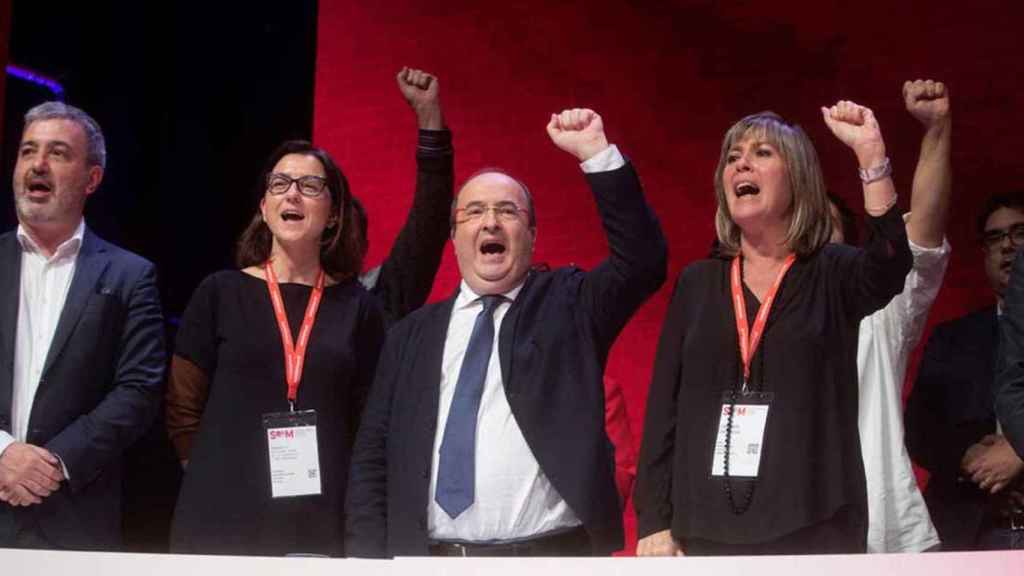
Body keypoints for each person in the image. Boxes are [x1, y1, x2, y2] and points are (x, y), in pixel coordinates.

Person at [345, 108, 667, 557]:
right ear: (454, 236)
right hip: (431, 561)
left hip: (549, 558)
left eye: (507, 211)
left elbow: (642, 261)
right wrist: (367, 564)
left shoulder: (568, 305)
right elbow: (373, 458)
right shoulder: (410, 335)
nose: (490, 222)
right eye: (474, 212)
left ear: (532, 235)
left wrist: (596, 153)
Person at [635, 102, 912, 555]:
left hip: (815, 522)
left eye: (762, 152)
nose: (742, 162)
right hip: (703, 527)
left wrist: (870, 155)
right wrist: (653, 521)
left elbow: (890, 266)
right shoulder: (698, 283)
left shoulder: (832, 272)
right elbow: (664, 408)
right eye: (732, 157)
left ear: (797, 177)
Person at [165, 137, 385, 556]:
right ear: (264, 208)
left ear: (334, 213)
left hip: (318, 517)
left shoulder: (360, 308)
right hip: (219, 513)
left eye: (309, 185)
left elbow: (367, 424)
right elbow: (182, 405)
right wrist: (210, 476)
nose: (292, 194)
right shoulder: (220, 293)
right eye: (280, 183)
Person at [0, 102, 166, 549]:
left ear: (92, 179)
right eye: (28, 151)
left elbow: (138, 391)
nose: (37, 165)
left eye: (57, 153)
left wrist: (54, 462)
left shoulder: (130, 276)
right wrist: (2, 454)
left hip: (72, 518)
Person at [836, 79, 951, 553]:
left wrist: (938, 131)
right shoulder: (759, 320)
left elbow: (922, 232)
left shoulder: (879, 309)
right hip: (785, 533)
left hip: (883, 536)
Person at [906, 192, 1024, 550]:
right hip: (969, 526)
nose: (1008, 246)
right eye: (995, 238)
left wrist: (1020, 448)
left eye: (1020, 233)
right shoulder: (953, 338)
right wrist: (968, 457)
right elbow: (918, 428)